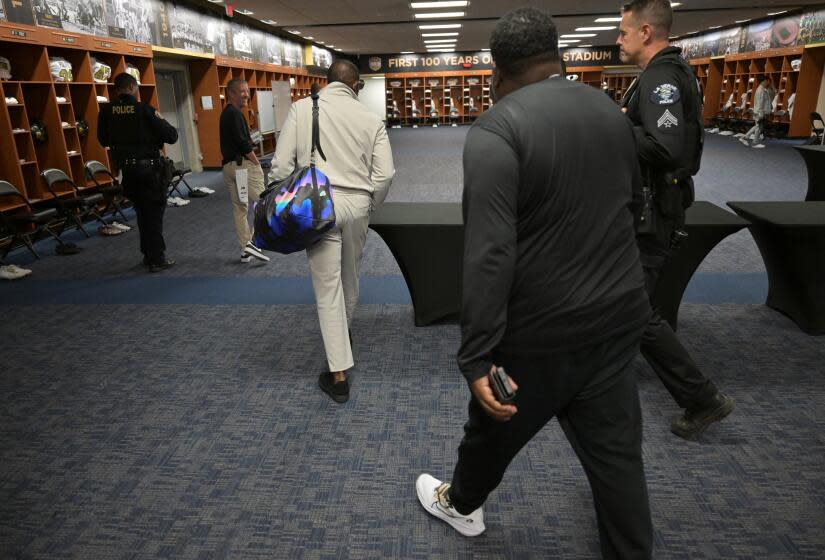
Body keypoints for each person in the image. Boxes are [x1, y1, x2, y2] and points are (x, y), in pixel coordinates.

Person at [416, 7, 654, 558]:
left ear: (497, 72)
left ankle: (462, 504)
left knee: (490, 433)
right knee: (618, 459)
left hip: (540, 336)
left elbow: (489, 254)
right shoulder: (610, 111)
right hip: (619, 320)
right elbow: (631, 207)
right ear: (559, 58)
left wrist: (476, 357)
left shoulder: (497, 129)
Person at [617, 0, 734, 439]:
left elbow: (666, 148)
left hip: (653, 212)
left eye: (624, 31)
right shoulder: (663, 74)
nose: (618, 39)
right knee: (626, 300)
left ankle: (701, 398)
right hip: (653, 206)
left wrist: (617, 128)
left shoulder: (662, 78)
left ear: (646, 32)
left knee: (637, 309)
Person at [270, 60, 395, 403]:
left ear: (325, 83)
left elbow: (280, 166)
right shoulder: (370, 119)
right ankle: (342, 338)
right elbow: (385, 175)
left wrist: (285, 199)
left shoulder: (300, 108)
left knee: (328, 288)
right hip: (356, 207)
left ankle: (338, 375)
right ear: (356, 86)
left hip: (317, 206)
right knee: (350, 280)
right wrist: (371, 204)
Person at [98, 72, 178, 273]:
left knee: (142, 213)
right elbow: (171, 136)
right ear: (133, 87)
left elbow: (103, 140)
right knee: (153, 215)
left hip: (128, 171)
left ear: (117, 90)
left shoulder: (106, 111)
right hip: (149, 170)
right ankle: (157, 258)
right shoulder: (144, 110)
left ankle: (147, 253)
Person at [219, 78, 270, 264]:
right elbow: (243, 144)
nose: (247, 95)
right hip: (243, 167)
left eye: (247, 91)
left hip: (229, 168)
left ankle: (245, 249)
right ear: (231, 93)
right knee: (266, 204)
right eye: (242, 91)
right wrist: (256, 163)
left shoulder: (226, 114)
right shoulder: (236, 114)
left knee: (240, 209)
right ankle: (254, 244)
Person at [741, 76, 775, 148]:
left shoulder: (763, 89)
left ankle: (744, 138)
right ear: (765, 81)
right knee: (759, 127)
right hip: (760, 112)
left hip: (761, 111)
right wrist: (761, 113)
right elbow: (760, 103)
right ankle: (755, 143)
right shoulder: (760, 90)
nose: (769, 83)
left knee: (758, 126)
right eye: (769, 81)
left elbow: (767, 100)